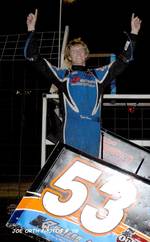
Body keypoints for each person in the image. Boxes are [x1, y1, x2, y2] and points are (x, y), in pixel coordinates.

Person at [24, 9, 142, 158]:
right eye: (74, 51)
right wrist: (31, 29)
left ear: (86, 55)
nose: (78, 54)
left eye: (81, 51)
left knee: (93, 173)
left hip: (93, 134)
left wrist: (133, 33)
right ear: (69, 57)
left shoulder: (98, 75)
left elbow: (124, 60)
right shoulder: (63, 76)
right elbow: (33, 57)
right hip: (71, 133)